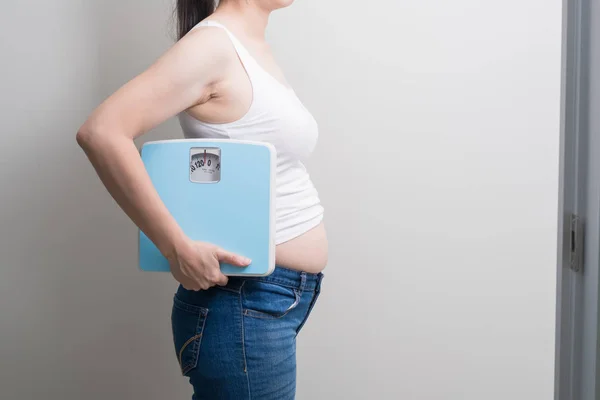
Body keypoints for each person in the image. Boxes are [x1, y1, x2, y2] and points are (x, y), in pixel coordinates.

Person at [76, 0, 328, 398]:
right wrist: (175, 248)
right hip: (244, 302)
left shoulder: (247, 45)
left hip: (272, 301)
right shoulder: (212, 46)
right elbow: (102, 132)